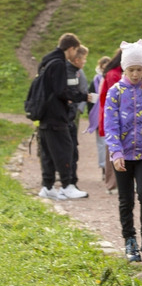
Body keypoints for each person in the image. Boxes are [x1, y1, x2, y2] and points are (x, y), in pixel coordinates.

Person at [104, 39, 142, 263]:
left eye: (139, 69)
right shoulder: (115, 91)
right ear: (124, 68)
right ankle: (129, 240)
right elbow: (110, 125)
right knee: (126, 198)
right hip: (122, 155)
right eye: (131, 69)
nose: (136, 74)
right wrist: (116, 153)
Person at [36, 33, 89, 201]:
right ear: (71, 48)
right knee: (66, 148)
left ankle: (48, 186)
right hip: (56, 114)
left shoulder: (46, 60)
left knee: (48, 152)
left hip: (43, 113)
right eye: (76, 50)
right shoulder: (59, 64)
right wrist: (81, 96)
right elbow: (61, 90)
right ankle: (67, 186)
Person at [98, 49, 123, 193]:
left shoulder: (117, 73)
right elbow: (115, 100)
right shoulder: (114, 74)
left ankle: (118, 182)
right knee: (112, 150)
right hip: (114, 119)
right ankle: (112, 183)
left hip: (120, 118)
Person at [65, 44, 90, 189]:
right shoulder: (69, 72)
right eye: (84, 59)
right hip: (68, 114)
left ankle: (70, 180)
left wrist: (79, 109)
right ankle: (68, 181)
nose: (85, 62)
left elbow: (82, 89)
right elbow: (73, 93)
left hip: (74, 111)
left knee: (73, 147)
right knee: (69, 147)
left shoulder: (79, 72)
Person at [85, 55, 111, 179]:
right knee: (101, 143)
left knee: (111, 142)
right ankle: (103, 167)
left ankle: (111, 167)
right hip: (99, 115)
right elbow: (91, 99)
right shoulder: (96, 80)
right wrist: (92, 115)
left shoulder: (113, 78)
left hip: (110, 114)